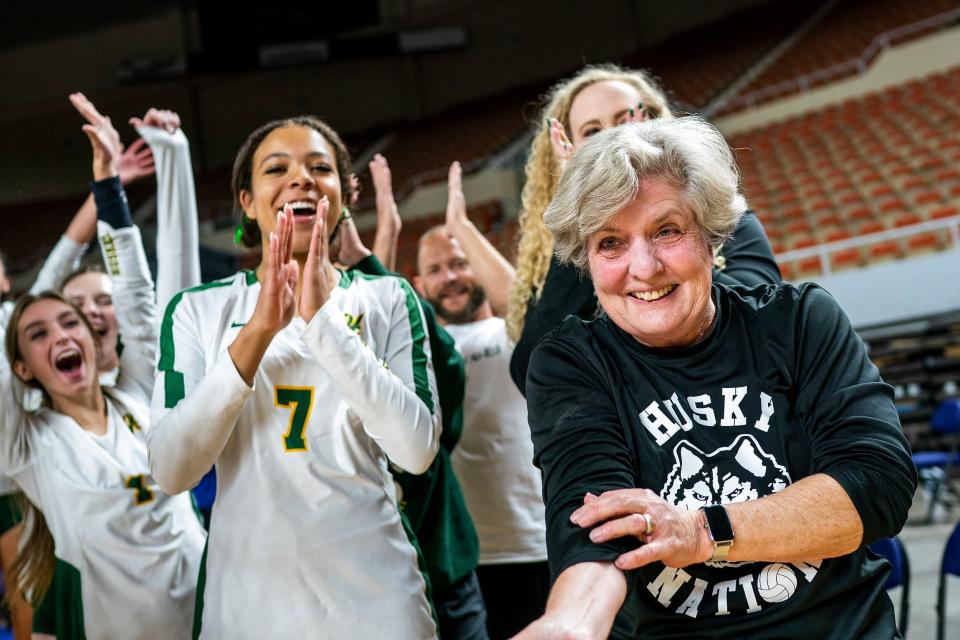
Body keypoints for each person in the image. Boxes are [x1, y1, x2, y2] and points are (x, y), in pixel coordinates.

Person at [515, 118, 917, 639]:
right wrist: (568, 625)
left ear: (710, 237)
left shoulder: (797, 322)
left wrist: (703, 531)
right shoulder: (571, 363)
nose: (644, 267)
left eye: (666, 231)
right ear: (587, 262)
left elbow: (877, 484)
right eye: (610, 243)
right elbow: (595, 523)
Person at [148, 116, 441, 638]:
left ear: (342, 199)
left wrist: (323, 325)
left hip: (378, 595)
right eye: (276, 168)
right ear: (247, 201)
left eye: (319, 167)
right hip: (248, 601)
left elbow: (416, 452)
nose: (300, 179)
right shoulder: (195, 310)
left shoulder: (388, 297)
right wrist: (258, 331)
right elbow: (172, 470)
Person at [0, 96, 206, 637]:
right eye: (38, 336)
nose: (63, 334)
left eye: (70, 324)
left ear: (93, 339)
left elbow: (136, 295)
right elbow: (23, 314)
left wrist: (110, 189)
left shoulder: (141, 392)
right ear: (21, 370)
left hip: (217, 617)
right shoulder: (27, 441)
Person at [503, 64, 781, 394]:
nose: (614, 140)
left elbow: (767, 315)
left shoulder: (731, 220)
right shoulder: (557, 264)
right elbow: (531, 372)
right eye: (592, 133)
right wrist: (579, 224)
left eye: (625, 122)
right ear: (567, 153)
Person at [336, 155, 489, 640]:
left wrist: (366, 255)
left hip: (444, 564)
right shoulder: (313, 349)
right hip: (365, 581)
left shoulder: (425, 348)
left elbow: (434, 347)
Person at [413, 210, 549, 639]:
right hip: (466, 556)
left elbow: (527, 309)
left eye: (459, 263)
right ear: (420, 286)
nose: (450, 277)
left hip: (539, 541)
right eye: (435, 270)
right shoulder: (419, 350)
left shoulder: (510, 333)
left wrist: (463, 226)